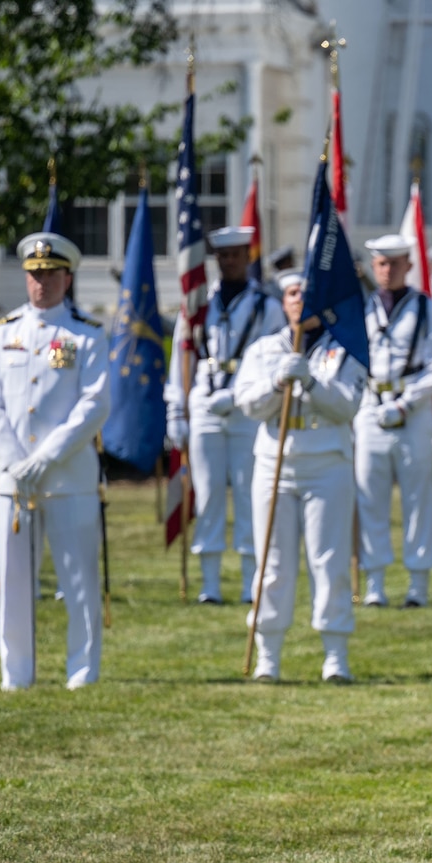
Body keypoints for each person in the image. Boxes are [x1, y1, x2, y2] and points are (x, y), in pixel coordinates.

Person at [0, 232, 109, 689]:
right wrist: (15, 461)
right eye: (35, 274)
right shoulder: (3, 333)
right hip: (14, 482)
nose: (42, 282)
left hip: (67, 477)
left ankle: (82, 669)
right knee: (14, 583)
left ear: (67, 277)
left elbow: (93, 404)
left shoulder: (85, 334)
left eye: (51, 273)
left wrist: (47, 456)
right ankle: (16, 673)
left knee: (78, 579)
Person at [233, 270, 367, 682]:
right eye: (292, 293)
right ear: (284, 301)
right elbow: (248, 404)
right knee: (272, 564)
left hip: (326, 460)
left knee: (328, 561)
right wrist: (278, 383)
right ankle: (268, 656)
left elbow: (347, 406)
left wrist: (310, 383)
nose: (298, 300)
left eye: (305, 293)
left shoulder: (344, 349)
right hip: (276, 459)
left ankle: (335, 655)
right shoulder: (263, 350)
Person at [164, 226, 287, 604]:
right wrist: (176, 410)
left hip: (247, 408)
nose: (229, 261)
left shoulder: (267, 306)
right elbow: (181, 356)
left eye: (236, 255)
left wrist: (236, 396)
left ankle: (253, 579)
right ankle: (210, 584)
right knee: (207, 494)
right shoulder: (199, 305)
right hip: (204, 404)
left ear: (247, 257)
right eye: (223, 255)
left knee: (251, 494)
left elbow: (274, 358)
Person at [355, 234, 432, 608]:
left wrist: (407, 403)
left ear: (409, 266)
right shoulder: (363, 309)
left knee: (418, 499)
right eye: (381, 263)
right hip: (370, 409)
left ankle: (418, 583)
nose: (387, 270)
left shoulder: (428, 309)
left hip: (412, 411)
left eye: (395, 263)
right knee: (369, 497)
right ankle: (374, 581)